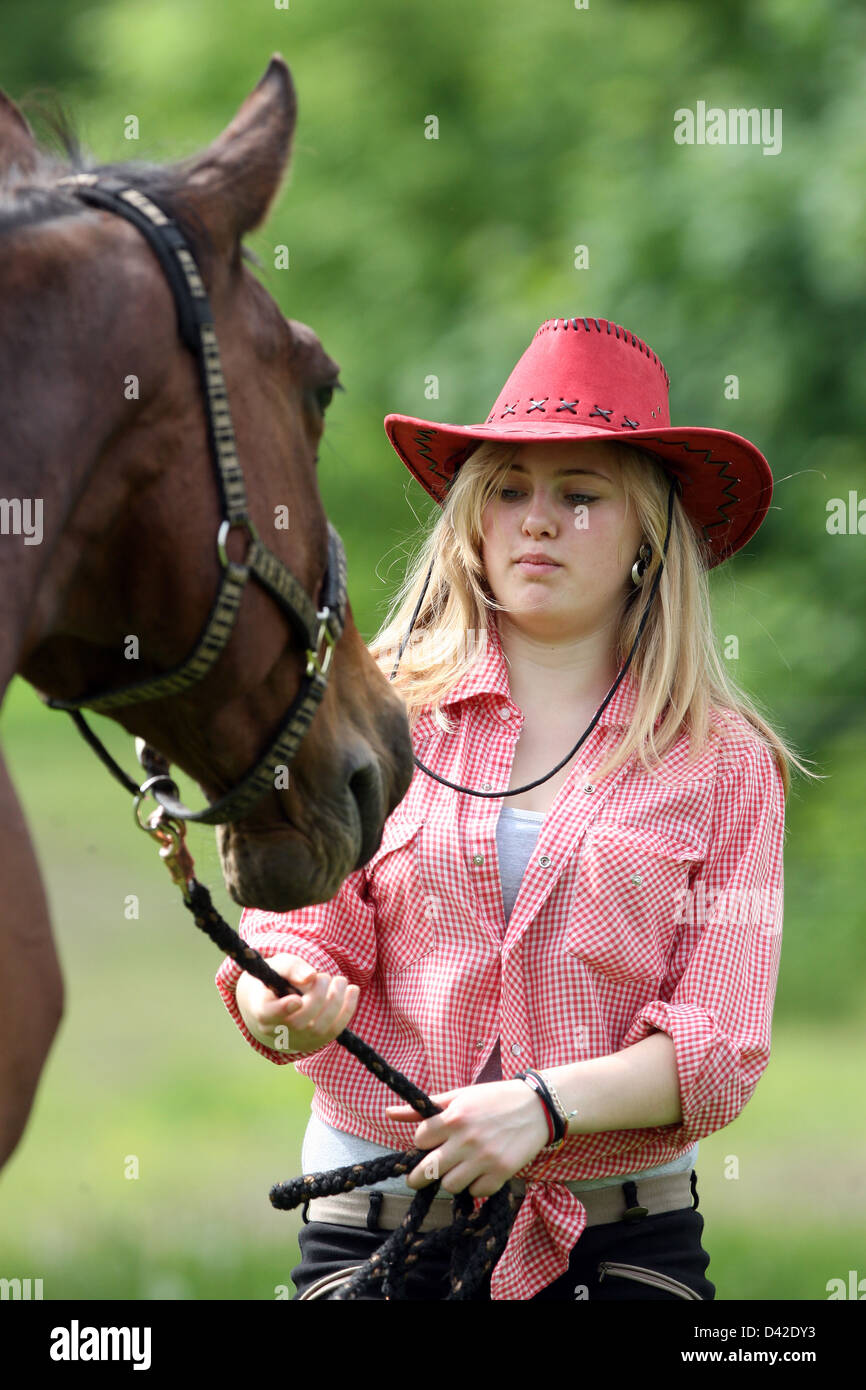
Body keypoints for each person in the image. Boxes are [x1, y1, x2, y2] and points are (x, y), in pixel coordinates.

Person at [215, 315, 815, 1301]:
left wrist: (541, 1107)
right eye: (507, 490)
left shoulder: (724, 763)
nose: (535, 520)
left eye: (579, 496)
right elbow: (293, 930)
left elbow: (718, 1048)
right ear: (471, 520)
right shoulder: (374, 713)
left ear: (645, 540)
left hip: (621, 1250)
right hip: (376, 1232)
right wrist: (281, 998)